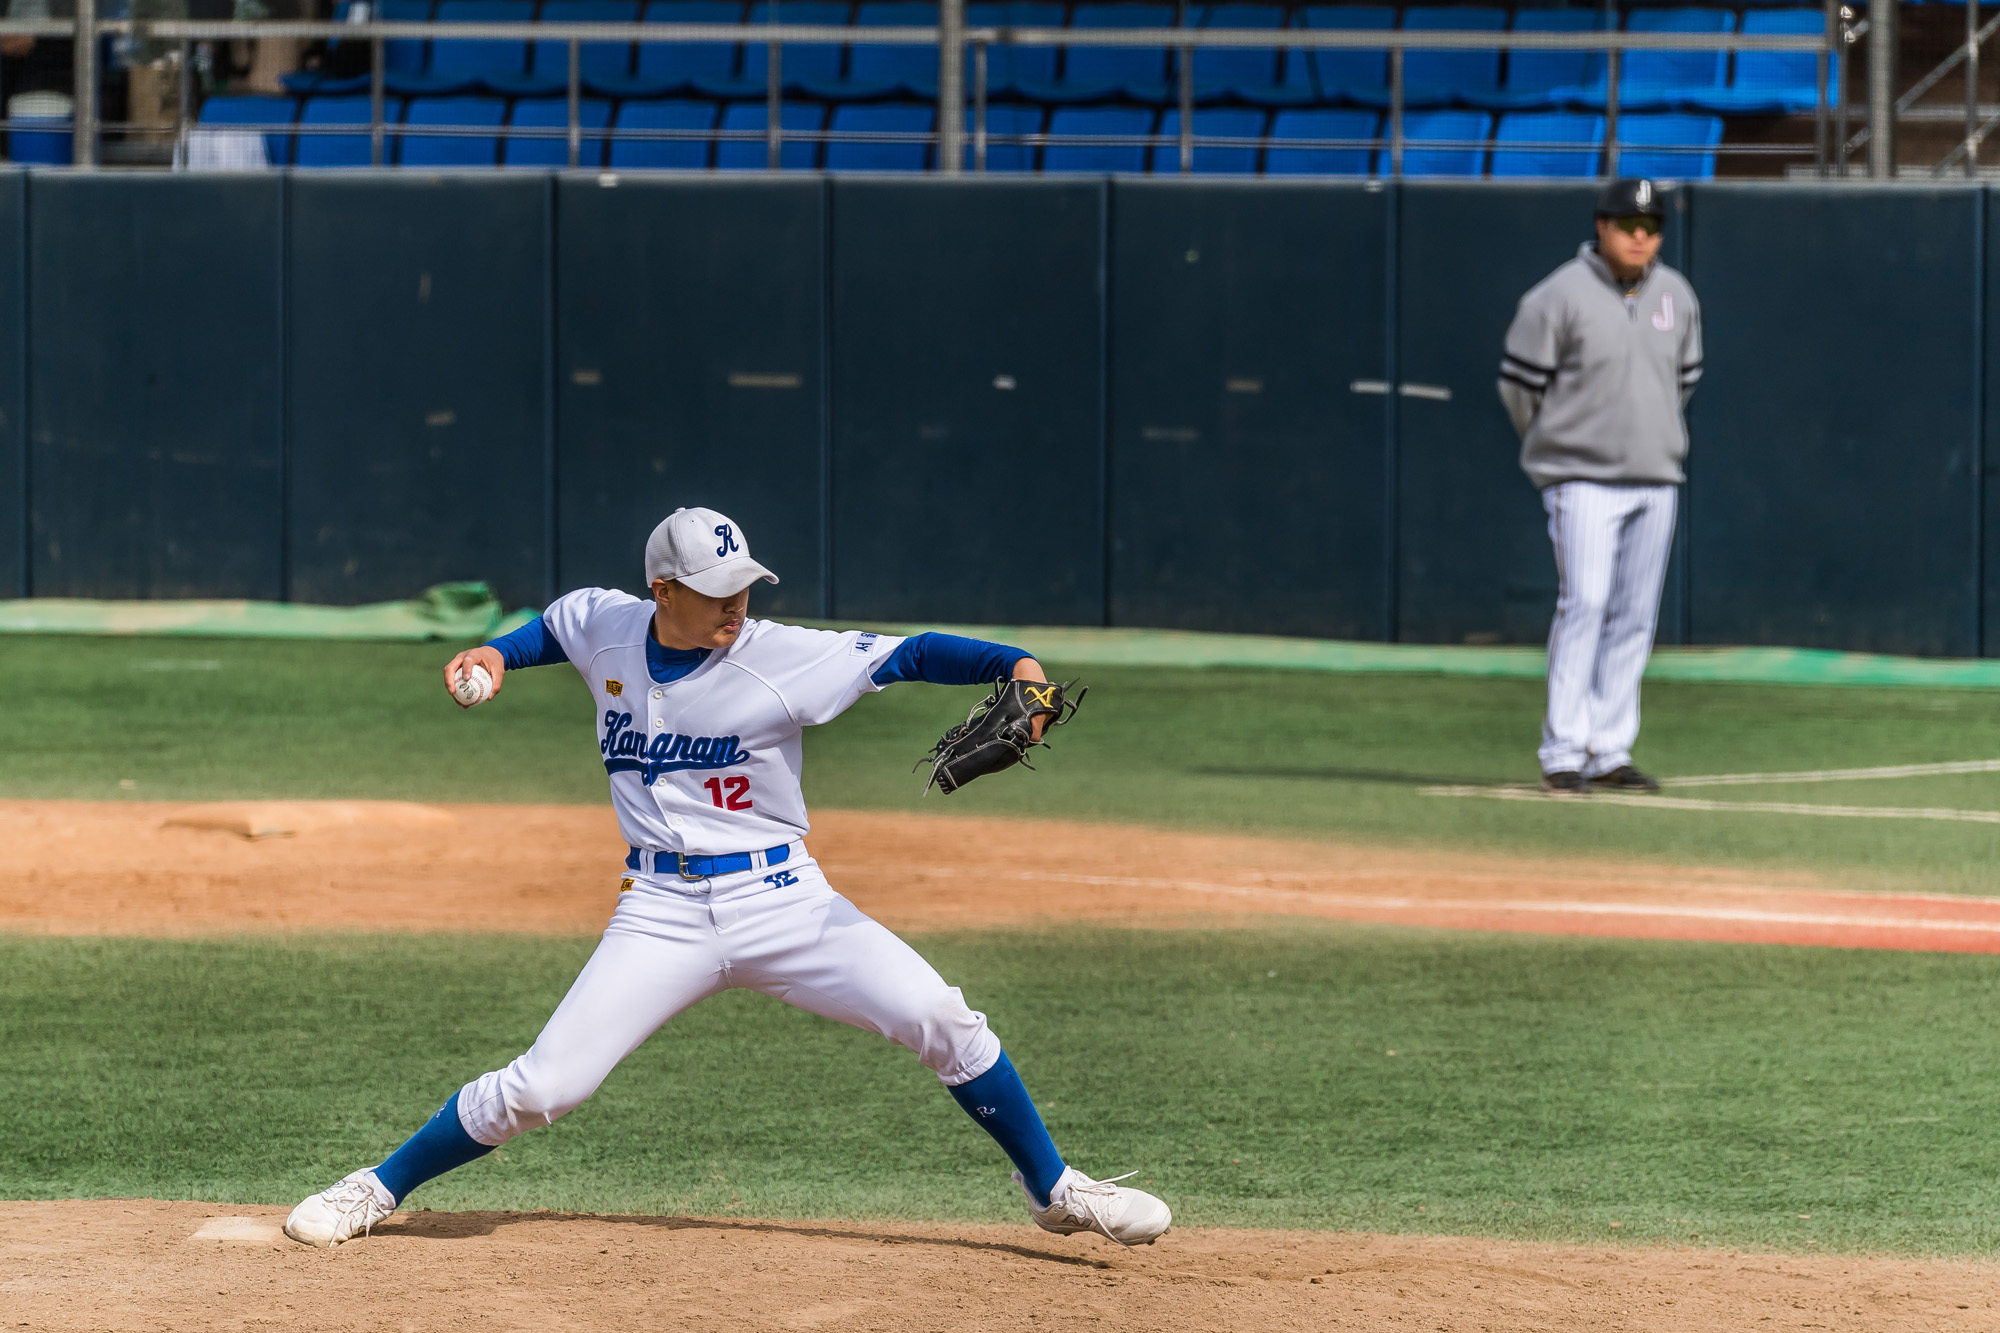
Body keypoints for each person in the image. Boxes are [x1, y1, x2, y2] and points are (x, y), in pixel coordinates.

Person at [282, 505, 1172, 1250]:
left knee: (940, 1012)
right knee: (546, 1086)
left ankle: (1054, 1188)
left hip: (787, 902)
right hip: (661, 911)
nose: (735, 605)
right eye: (714, 592)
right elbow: (557, 626)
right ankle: (377, 1186)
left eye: (744, 585)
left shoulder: (779, 654)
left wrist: (1017, 668)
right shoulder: (609, 623)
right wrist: (492, 656)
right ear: (661, 591)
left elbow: (912, 651)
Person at [1497, 177, 1704, 796]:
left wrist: (1653, 432)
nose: (1640, 238)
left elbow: (1685, 379)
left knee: (1635, 615)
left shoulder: (1676, 295)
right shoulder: (1555, 297)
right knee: (1584, 603)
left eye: (1650, 228)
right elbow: (1519, 389)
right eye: (1627, 226)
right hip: (1581, 476)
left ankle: (1609, 749)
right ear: (1601, 226)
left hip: (1655, 475)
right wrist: (1559, 444)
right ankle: (1563, 749)